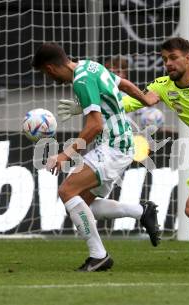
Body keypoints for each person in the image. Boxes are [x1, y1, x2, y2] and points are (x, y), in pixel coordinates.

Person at [60, 37, 189, 265]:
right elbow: (135, 101)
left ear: (188, 58)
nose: (168, 63)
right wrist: (89, 103)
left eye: (173, 58)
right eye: (164, 59)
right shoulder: (163, 85)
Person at [31, 42, 161, 272]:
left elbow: (95, 125)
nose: (48, 78)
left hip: (113, 145)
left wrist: (65, 154)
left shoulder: (81, 81)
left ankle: (98, 256)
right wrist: (146, 100)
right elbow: (126, 85)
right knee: (84, 203)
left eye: (45, 73)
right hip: (120, 144)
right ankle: (142, 211)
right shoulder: (91, 67)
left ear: (50, 69)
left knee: (67, 191)